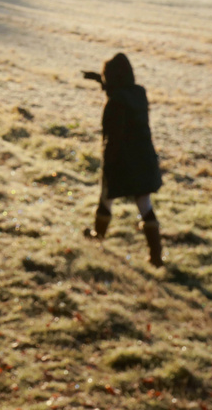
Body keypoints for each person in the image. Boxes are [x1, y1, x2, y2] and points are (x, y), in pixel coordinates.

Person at [82, 52, 164, 266]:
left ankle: (97, 235)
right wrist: (99, 80)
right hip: (144, 158)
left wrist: (108, 163)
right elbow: (120, 92)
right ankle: (156, 256)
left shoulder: (115, 103)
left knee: (106, 197)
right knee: (144, 204)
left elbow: (114, 136)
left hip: (123, 159)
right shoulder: (138, 93)